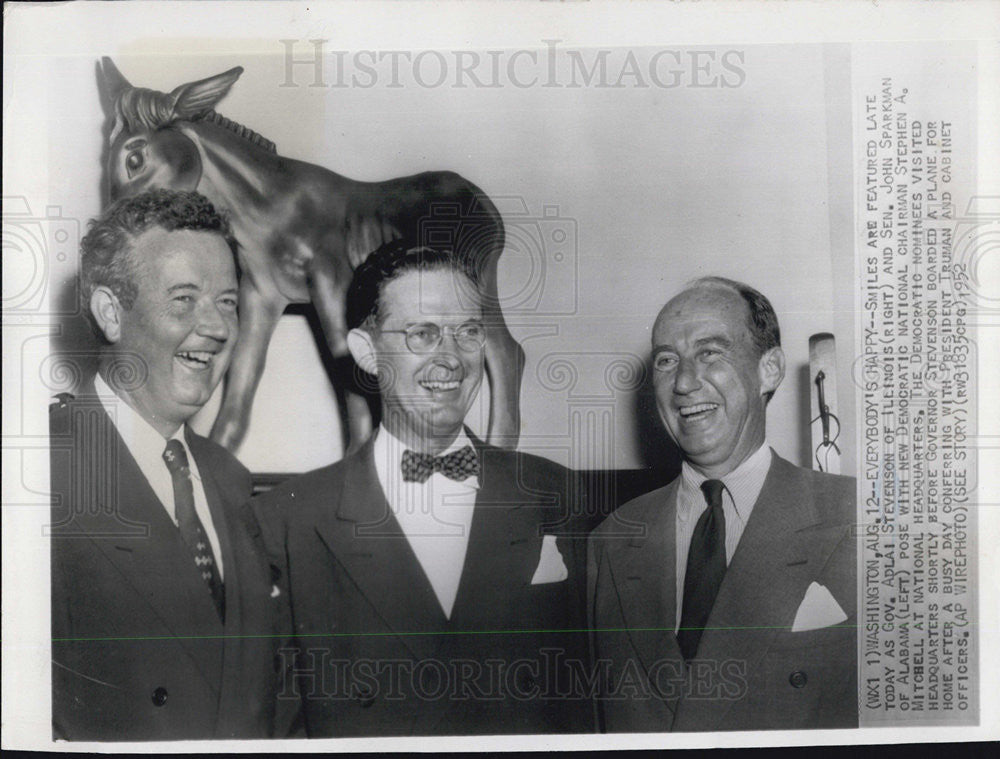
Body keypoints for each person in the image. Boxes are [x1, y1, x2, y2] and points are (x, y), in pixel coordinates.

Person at [251, 241, 594, 736]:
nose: (451, 359)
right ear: (368, 353)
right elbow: (280, 729)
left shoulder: (555, 494)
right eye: (423, 334)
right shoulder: (290, 521)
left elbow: (587, 701)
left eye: (468, 332)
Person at [50, 189, 296, 740]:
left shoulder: (229, 479)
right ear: (112, 314)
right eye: (184, 298)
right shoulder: (39, 475)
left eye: (228, 301)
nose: (217, 327)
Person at [588, 276, 857, 732]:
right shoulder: (611, 541)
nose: (685, 382)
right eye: (667, 361)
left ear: (768, 370)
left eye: (710, 353)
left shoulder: (860, 518)